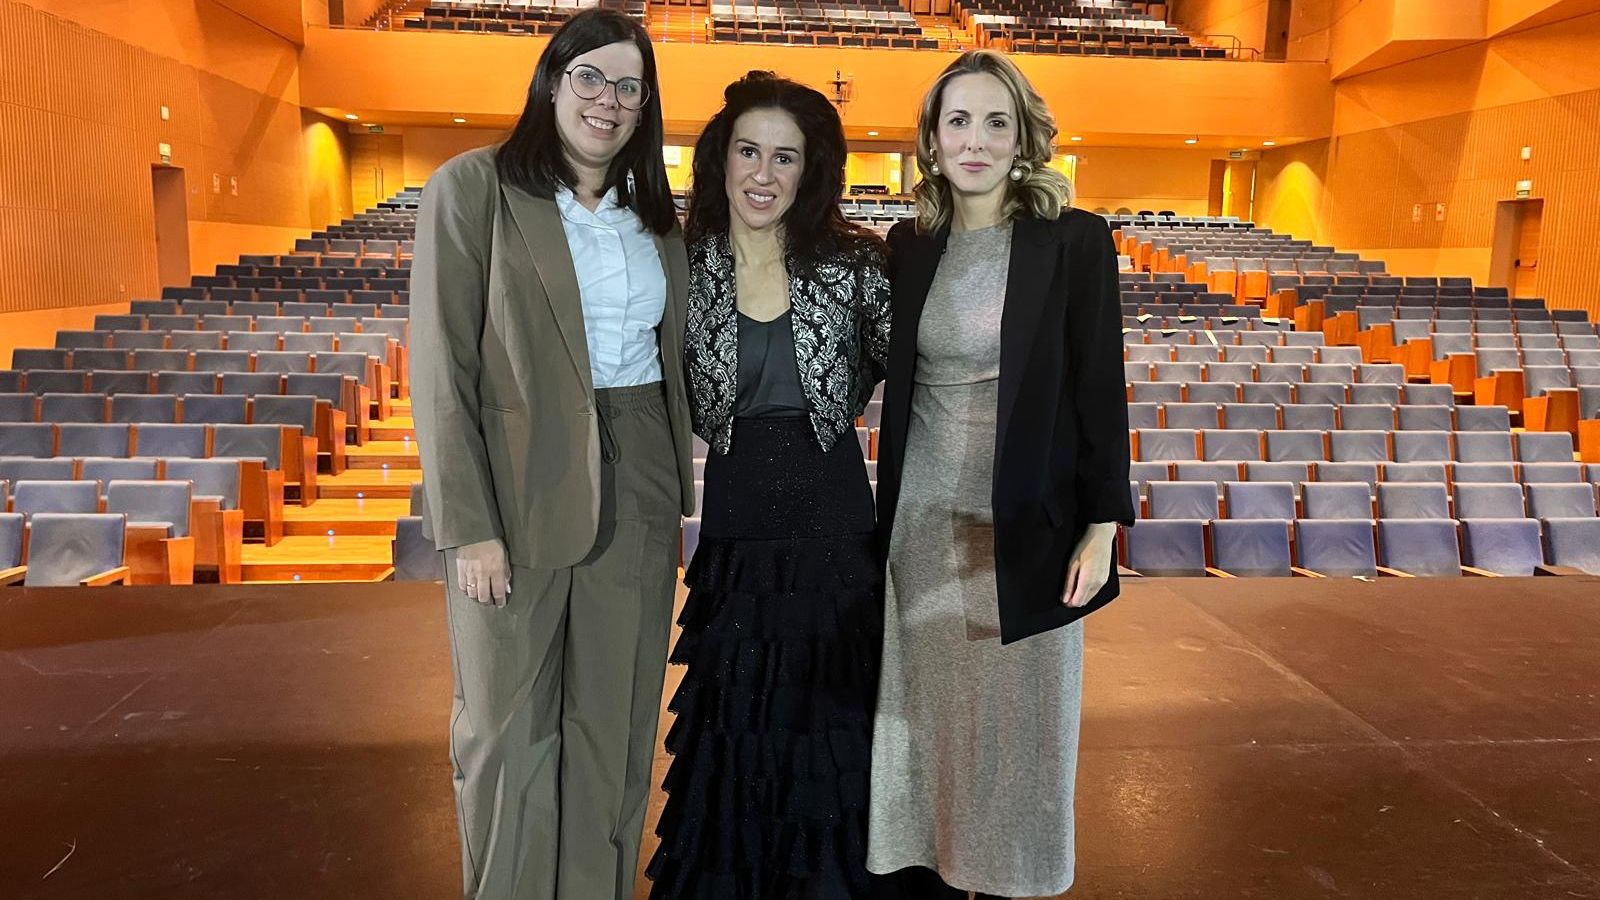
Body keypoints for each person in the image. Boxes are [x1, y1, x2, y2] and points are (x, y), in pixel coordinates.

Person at [408, 10, 694, 900]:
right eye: (590, 78)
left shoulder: (658, 218)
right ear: (552, 81)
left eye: (628, 88)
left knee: (612, 728)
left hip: (639, 470)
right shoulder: (474, 188)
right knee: (505, 733)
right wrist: (469, 528)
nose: (607, 102)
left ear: (644, 108)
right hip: (517, 490)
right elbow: (441, 367)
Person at [867, 50, 1135, 899]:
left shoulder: (1074, 241)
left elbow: (1100, 387)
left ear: (1023, 138)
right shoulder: (909, 246)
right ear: (932, 140)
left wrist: (1102, 528)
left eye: (995, 121)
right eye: (958, 121)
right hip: (919, 528)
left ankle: (1014, 879)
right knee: (930, 730)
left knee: (1022, 736)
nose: (974, 140)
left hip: (1028, 531)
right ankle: (938, 873)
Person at [645, 71, 892, 900]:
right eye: (748, 151)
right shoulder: (681, 264)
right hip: (739, 527)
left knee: (832, 728)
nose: (763, 173)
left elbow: (935, 378)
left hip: (836, 529)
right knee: (739, 725)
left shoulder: (859, 264)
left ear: (809, 171)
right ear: (719, 159)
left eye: (784, 157)